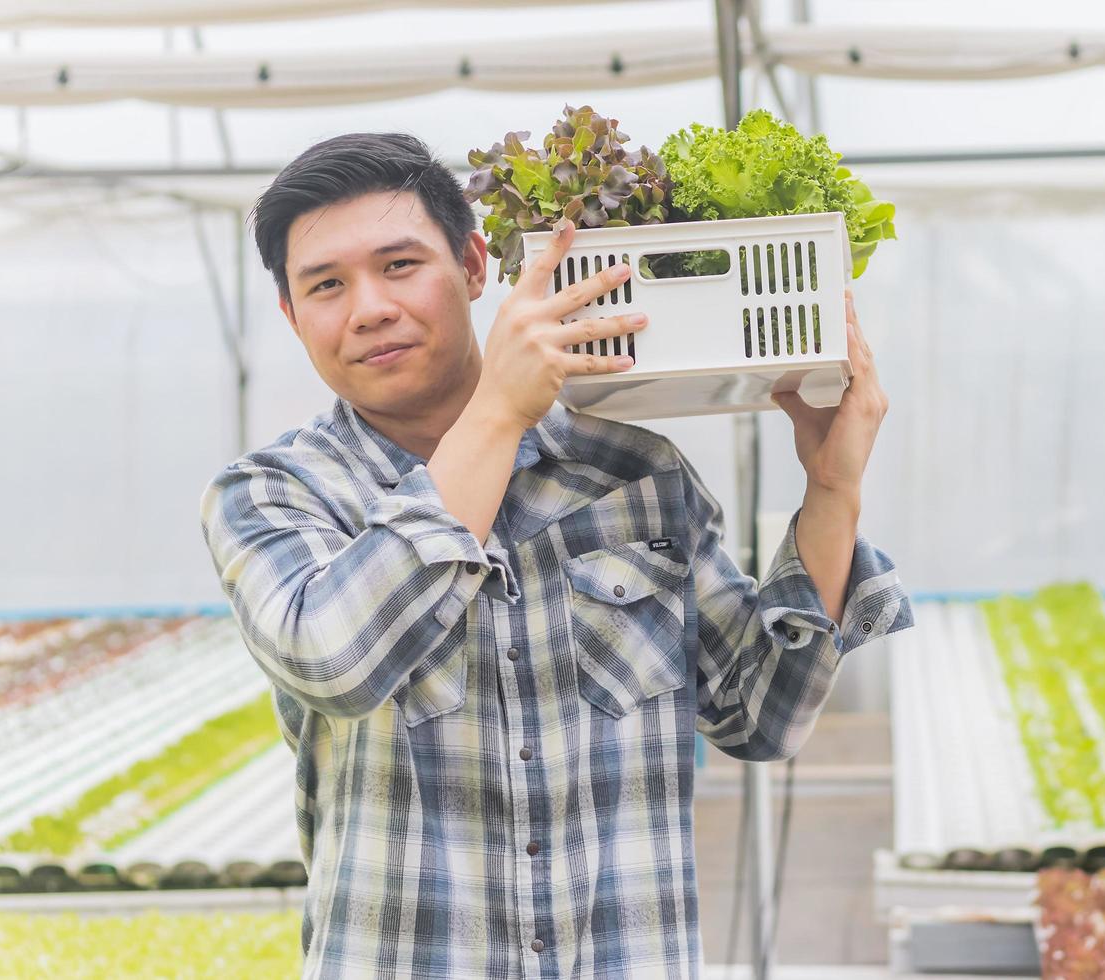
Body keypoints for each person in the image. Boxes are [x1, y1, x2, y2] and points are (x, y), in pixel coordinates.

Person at [198, 131, 911, 979]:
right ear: (292, 315)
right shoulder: (273, 495)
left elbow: (764, 717)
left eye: (399, 266)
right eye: (326, 285)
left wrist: (831, 494)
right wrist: (497, 414)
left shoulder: (633, 476)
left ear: (471, 266)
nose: (368, 308)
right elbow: (337, 662)